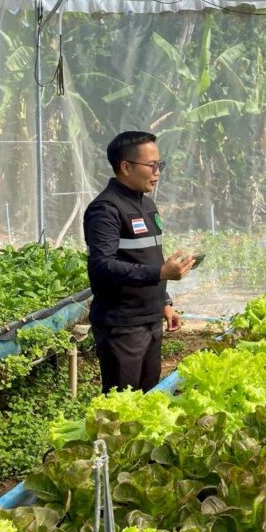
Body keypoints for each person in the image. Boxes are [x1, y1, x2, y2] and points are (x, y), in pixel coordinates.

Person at [84, 131, 194, 393]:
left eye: (160, 164)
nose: (158, 172)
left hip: (150, 320)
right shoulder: (106, 209)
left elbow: (148, 258)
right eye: (151, 165)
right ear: (126, 167)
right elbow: (102, 266)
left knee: (148, 396)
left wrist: (164, 303)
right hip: (122, 325)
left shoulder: (147, 205)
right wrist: (160, 272)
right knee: (122, 404)